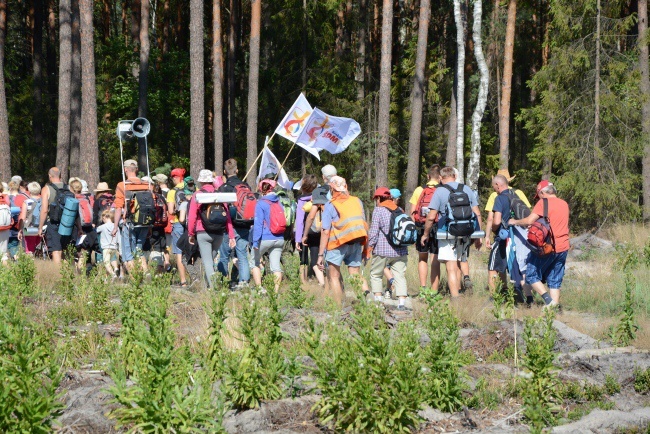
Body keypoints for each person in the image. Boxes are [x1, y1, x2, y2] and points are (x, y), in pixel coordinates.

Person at [421, 166, 482, 298]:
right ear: (455, 176)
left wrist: (425, 234)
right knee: (460, 261)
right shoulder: (466, 189)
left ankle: (456, 299)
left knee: (451, 267)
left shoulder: (440, 191)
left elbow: (431, 217)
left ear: (441, 178)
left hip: (448, 232)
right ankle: (459, 290)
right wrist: (478, 236)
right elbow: (477, 213)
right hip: (466, 231)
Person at [510, 180, 570, 307]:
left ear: (542, 192)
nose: (539, 198)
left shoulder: (543, 202)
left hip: (547, 248)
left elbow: (529, 221)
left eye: (539, 195)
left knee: (531, 275)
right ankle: (553, 312)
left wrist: (514, 221)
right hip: (563, 246)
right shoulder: (564, 204)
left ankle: (549, 301)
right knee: (554, 280)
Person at [316, 176, 369, 303]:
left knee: (334, 276)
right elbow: (364, 224)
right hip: (356, 241)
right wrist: (366, 248)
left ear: (332, 188)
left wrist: (320, 255)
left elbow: (325, 231)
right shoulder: (357, 201)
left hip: (337, 244)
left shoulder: (330, 205)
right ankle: (368, 300)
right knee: (355, 274)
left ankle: (338, 305)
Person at [488, 174, 533, 304]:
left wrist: (493, 229)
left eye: (493, 186)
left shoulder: (499, 198)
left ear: (498, 185)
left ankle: (493, 298)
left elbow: (496, 220)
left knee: (493, 267)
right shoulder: (515, 195)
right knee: (515, 266)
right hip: (517, 237)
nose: (494, 189)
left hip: (503, 237)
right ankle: (523, 295)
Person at [187, 170, 236, 288]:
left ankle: (214, 290)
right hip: (219, 233)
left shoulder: (197, 195)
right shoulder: (219, 195)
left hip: (203, 231)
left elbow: (192, 215)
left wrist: (190, 233)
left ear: (201, 182)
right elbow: (227, 216)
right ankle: (207, 287)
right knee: (210, 260)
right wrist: (231, 236)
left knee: (208, 262)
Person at [368, 187, 410, 309]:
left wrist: (370, 247)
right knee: (399, 276)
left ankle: (378, 302)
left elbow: (374, 232)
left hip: (382, 250)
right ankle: (401, 303)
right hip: (400, 250)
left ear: (379, 198)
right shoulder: (400, 210)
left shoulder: (378, 210)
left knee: (376, 274)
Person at [216, 158, 253, 288]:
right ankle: (244, 283)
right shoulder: (246, 186)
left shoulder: (223, 188)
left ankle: (221, 283)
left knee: (224, 256)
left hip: (228, 227)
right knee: (242, 255)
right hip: (245, 225)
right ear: (237, 170)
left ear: (225, 172)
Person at [112, 159, 152, 273]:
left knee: (127, 252)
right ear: (137, 169)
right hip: (144, 222)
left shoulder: (122, 185)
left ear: (125, 169)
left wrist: (115, 227)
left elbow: (118, 207)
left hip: (130, 222)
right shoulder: (146, 184)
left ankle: (135, 280)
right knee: (139, 249)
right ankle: (145, 272)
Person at [409, 164, 442, 294]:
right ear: (439, 177)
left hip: (421, 227)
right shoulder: (442, 190)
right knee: (435, 258)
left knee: (422, 258)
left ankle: (423, 288)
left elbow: (412, 211)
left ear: (428, 176)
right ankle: (434, 291)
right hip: (436, 227)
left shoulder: (419, 190)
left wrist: (417, 227)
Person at [250, 179, 285, 292]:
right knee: (276, 267)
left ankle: (260, 289)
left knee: (253, 262)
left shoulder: (261, 203)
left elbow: (258, 224)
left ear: (261, 189)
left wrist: (255, 242)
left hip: (265, 238)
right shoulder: (279, 202)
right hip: (279, 238)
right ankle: (275, 293)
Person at [38, 167, 75, 264]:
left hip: (54, 224)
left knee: (56, 251)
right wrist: (79, 227)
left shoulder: (46, 189)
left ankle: (58, 276)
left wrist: (40, 227)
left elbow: (44, 210)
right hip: (68, 223)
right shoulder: (69, 188)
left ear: (50, 176)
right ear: (60, 176)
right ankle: (68, 276)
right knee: (66, 251)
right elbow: (75, 208)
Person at [295, 174, 325, 286]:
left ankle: (304, 281)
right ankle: (321, 280)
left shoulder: (302, 200)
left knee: (303, 259)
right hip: (319, 231)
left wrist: (298, 239)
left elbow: (299, 221)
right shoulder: (321, 197)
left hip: (306, 233)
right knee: (315, 257)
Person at [301, 185, 328, 287]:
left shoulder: (314, 202)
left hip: (314, 233)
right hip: (328, 232)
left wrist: (305, 234)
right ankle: (330, 280)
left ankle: (322, 282)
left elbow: (311, 217)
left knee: (314, 258)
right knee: (328, 259)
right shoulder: (329, 201)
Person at [167, 168, 190, 287]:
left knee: (179, 252)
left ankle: (183, 281)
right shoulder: (192, 188)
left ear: (176, 177)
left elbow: (171, 211)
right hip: (191, 223)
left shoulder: (172, 192)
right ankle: (196, 277)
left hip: (178, 223)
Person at [17, 182, 42, 254]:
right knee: (39, 250)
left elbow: (23, 217)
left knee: (29, 250)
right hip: (42, 227)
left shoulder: (27, 202)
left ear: (29, 191)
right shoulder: (44, 201)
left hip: (29, 228)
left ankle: (30, 264)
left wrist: (20, 230)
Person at [96, 209, 120, 280]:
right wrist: (120, 249)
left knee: (106, 263)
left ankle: (113, 275)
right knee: (112, 260)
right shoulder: (116, 227)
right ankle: (116, 269)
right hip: (114, 248)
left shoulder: (102, 227)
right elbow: (119, 239)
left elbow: (96, 230)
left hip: (106, 249)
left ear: (104, 217)